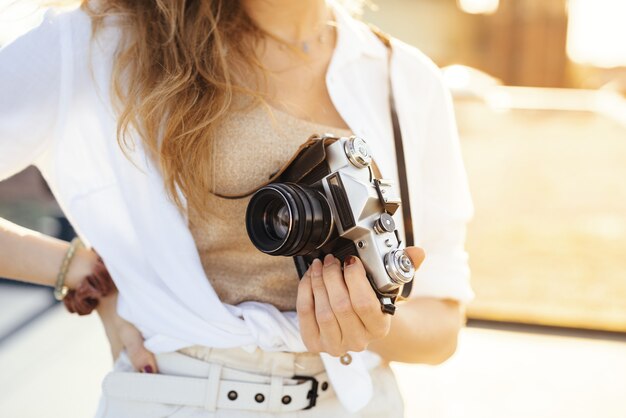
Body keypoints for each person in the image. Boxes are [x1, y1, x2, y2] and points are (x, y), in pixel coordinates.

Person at [0, 0, 474, 416]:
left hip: (356, 400)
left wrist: (370, 323)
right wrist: (81, 270)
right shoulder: (104, 40)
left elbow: (442, 326)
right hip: (181, 396)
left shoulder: (405, 78)